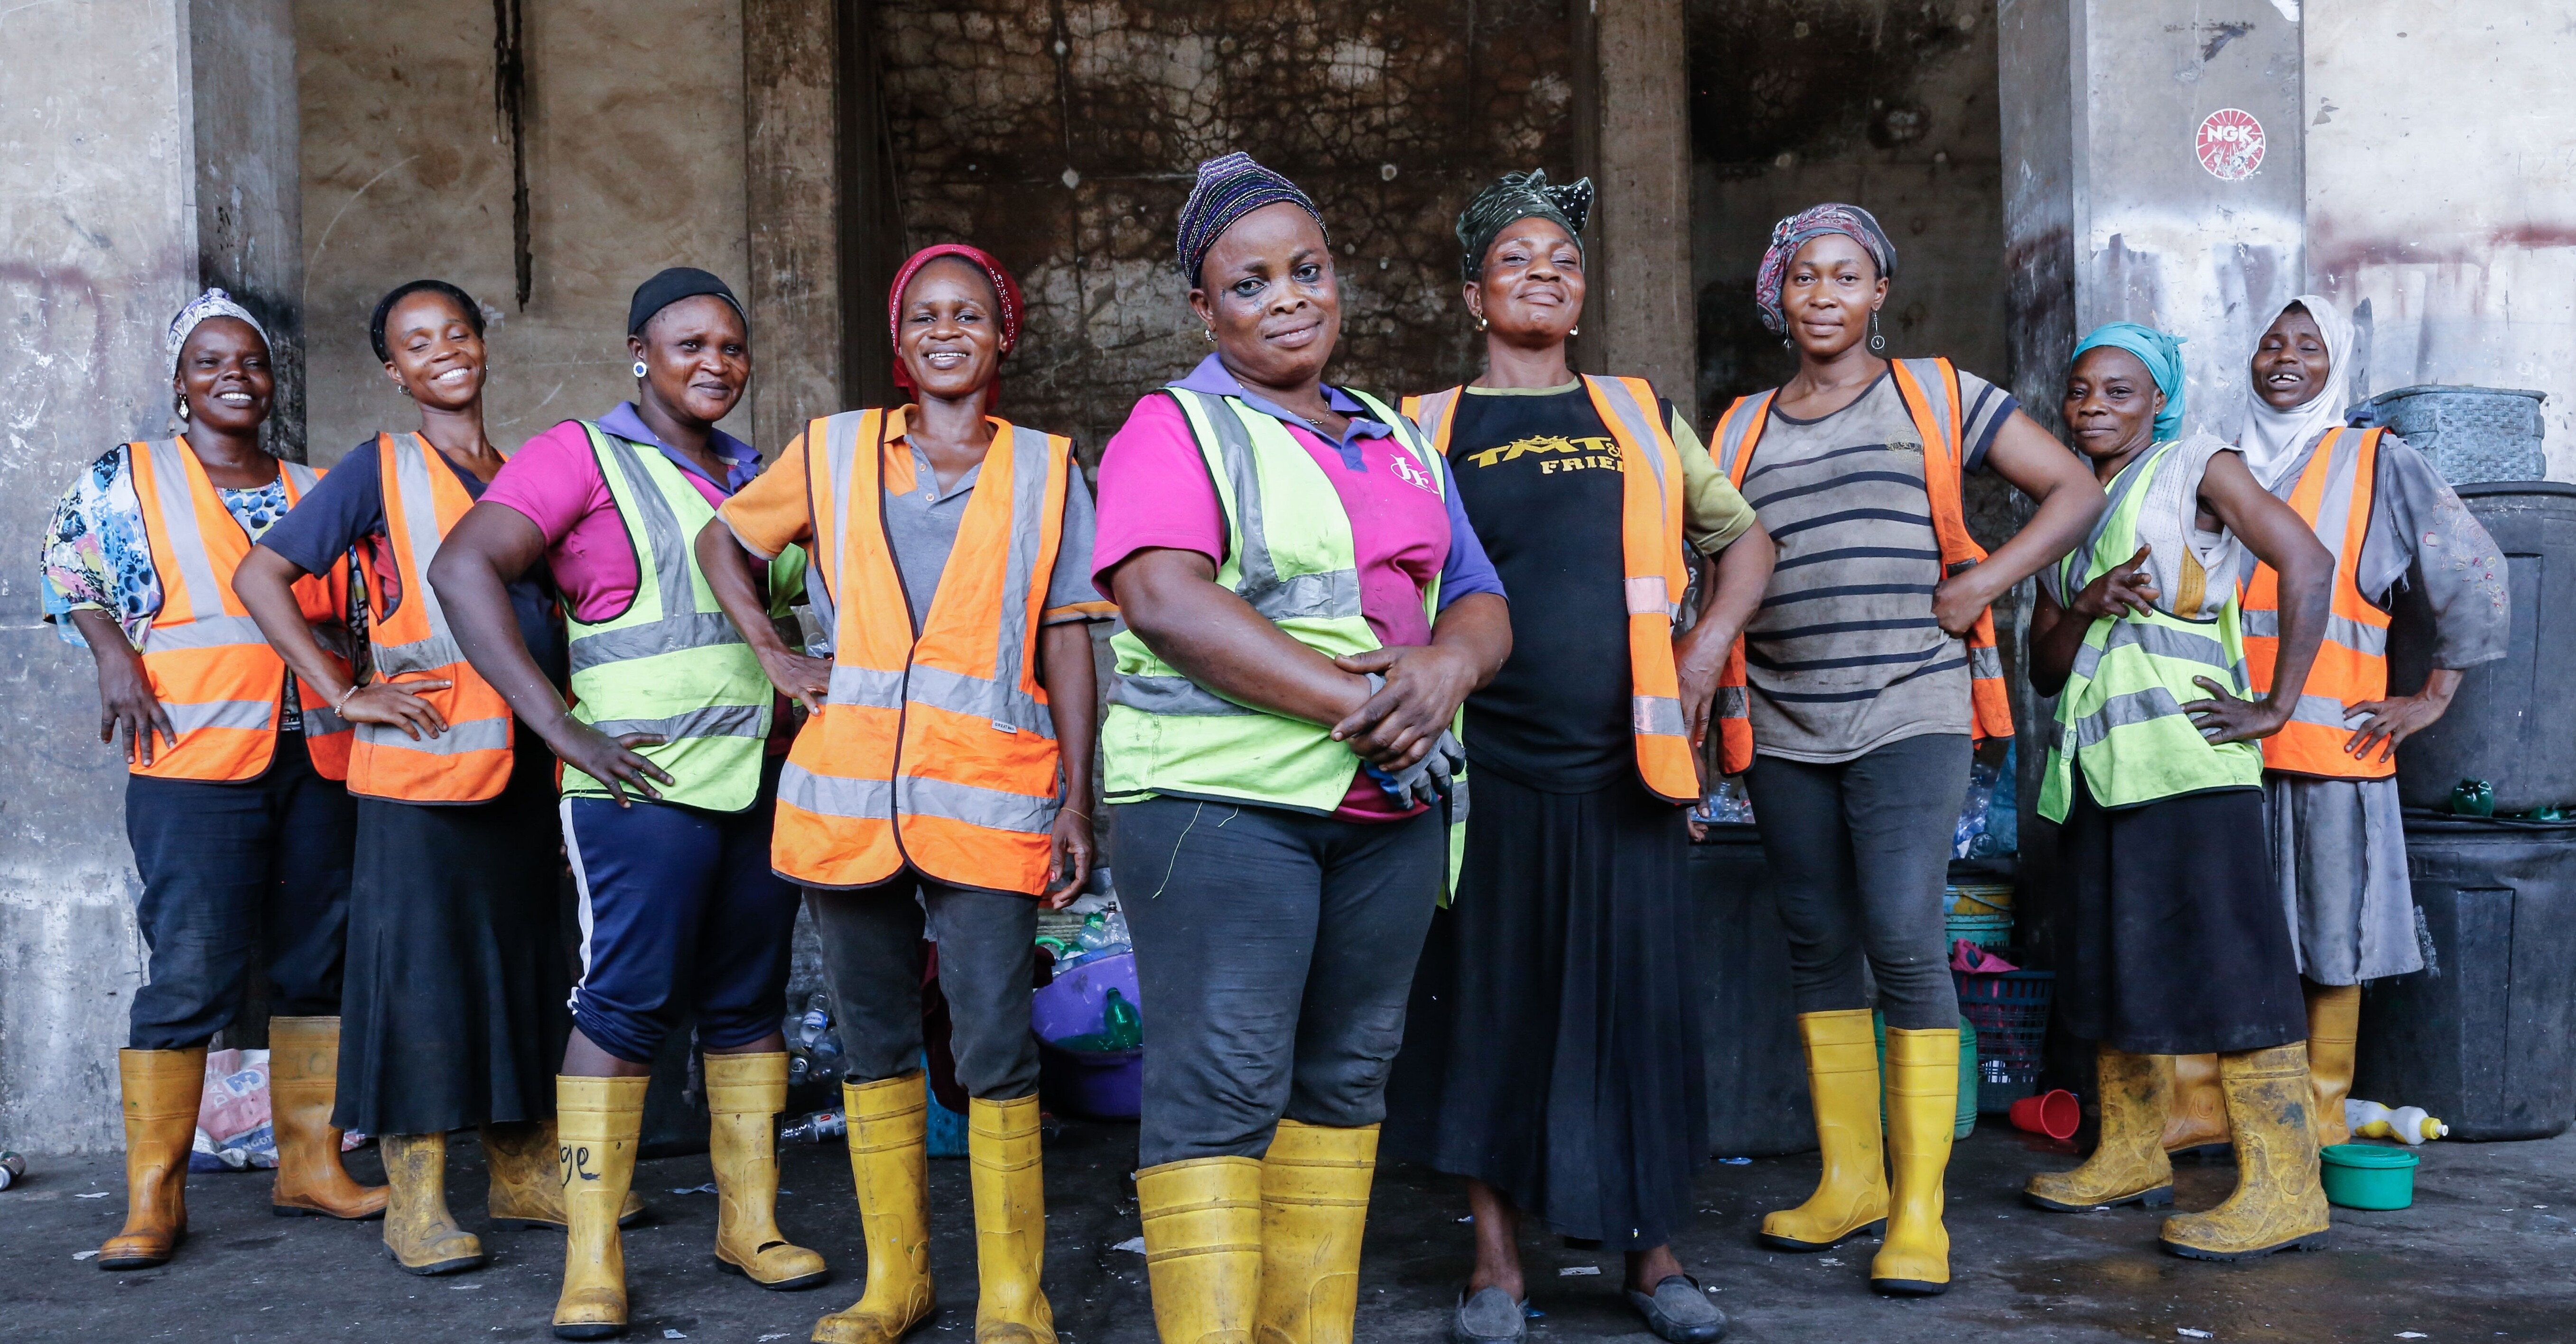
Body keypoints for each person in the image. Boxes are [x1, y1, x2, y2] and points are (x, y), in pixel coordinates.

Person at [1095, 151, 1513, 1344]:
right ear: (1204, 308)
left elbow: (1479, 598)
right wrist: (1362, 700)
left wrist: (1447, 665)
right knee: (1222, 1087)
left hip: (1390, 814)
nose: (1289, 297)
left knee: (1345, 1080)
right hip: (1226, 812)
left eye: (1308, 270)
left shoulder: (1395, 435)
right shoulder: (1174, 426)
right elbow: (1164, 598)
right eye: (1252, 282)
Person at [1382, 170, 1774, 1344]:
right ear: (1473, 295)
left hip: (1631, 769)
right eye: (1515, 259)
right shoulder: (1425, 425)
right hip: (1482, 774)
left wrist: (1703, 650)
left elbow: (1744, 543)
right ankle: (1496, 1267)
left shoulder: (1638, 413)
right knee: (1492, 1008)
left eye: (1560, 256)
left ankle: (1653, 1261)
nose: (1543, 271)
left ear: (1585, 286)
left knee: (1639, 1011)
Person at [698, 243, 1111, 1344]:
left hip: (990, 796)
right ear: (899, 337)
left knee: (993, 1045)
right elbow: (723, 539)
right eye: (924, 314)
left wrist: (1079, 796)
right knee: (874, 1039)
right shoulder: (831, 451)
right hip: (849, 799)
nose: (945, 330)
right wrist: (778, 658)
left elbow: (1071, 641)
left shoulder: (1048, 467)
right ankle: (899, 1282)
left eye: (968, 314)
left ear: (1001, 334)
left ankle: (1015, 1295)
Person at [1705, 204, 2104, 1295]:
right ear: (1779, 297)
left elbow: (2076, 489)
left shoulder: (1937, 393)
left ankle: (1920, 1204)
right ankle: (1852, 1179)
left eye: (1847, 276)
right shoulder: (1739, 427)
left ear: (1880, 292)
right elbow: (1713, 560)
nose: (1824, 294)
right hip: (1783, 715)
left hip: (1911, 705)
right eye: (1804, 278)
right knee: (1815, 939)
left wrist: (1985, 579)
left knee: (1900, 932)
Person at [426, 268, 823, 1339]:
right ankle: (592, 1254)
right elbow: (463, 567)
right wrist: (557, 724)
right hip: (639, 790)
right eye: (689, 343)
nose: (715, 363)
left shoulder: (755, 472)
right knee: (624, 1005)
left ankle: (751, 1223)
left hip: (757, 782)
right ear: (640, 355)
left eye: (733, 348)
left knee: (748, 1002)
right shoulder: (579, 454)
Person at [235, 279, 639, 1277]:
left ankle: (519, 1171)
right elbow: (260, 577)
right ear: (395, 370)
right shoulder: (383, 467)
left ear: (482, 345)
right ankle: (414, 1199)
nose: (444, 352)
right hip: (419, 773)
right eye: (419, 343)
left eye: (456, 332)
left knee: (521, 971)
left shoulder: (522, 468)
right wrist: (340, 689)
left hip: (524, 771)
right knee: (414, 983)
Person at [44, 290, 383, 1270]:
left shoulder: (319, 484)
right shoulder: (128, 477)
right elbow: (70, 574)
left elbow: (360, 606)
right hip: (192, 752)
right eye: (209, 362)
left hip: (316, 753)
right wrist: (111, 650)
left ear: (273, 380)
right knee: (190, 969)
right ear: (180, 382)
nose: (234, 376)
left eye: (252, 362)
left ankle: (310, 1164)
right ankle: (155, 1198)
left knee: (316, 960)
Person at [2158, 296, 2511, 1161]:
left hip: (2328, 748)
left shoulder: (2373, 461)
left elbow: (2475, 567)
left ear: (2335, 361)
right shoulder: (2213, 459)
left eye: (2307, 345)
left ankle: (2317, 1113)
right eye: (2270, 342)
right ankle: (2202, 1107)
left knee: (2330, 936)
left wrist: (2431, 695)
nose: (2285, 357)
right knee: (2214, 928)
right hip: (2219, 744)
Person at [2020, 323, 2338, 1259]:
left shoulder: (2198, 463)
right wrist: (2085, 601)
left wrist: (2277, 705)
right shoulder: (2067, 507)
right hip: (2101, 779)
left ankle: (2287, 1186)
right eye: (2080, 392)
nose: (2094, 408)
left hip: (2193, 765)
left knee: (2235, 970)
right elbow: (2045, 671)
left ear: (2160, 400)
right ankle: (2129, 1153)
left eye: (2119, 391)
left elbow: (2308, 560)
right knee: (2114, 968)